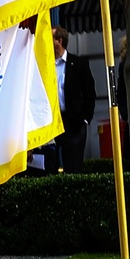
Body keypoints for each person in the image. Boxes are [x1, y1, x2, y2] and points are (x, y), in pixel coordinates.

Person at [43, 25, 96, 174]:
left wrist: (85, 118)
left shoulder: (79, 64)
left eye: (50, 38)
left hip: (73, 123)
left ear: (59, 41)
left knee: (73, 167)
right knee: (49, 168)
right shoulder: (44, 65)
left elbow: (89, 92)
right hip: (52, 122)